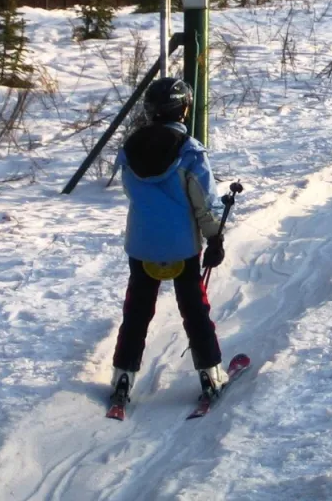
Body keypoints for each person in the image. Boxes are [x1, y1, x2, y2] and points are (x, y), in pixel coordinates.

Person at [109, 78, 228, 413]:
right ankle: (210, 373)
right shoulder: (190, 151)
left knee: (136, 312)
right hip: (183, 248)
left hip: (142, 246)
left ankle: (122, 376)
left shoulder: (130, 150)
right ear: (184, 109)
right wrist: (215, 237)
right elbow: (205, 203)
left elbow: (134, 195)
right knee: (194, 309)